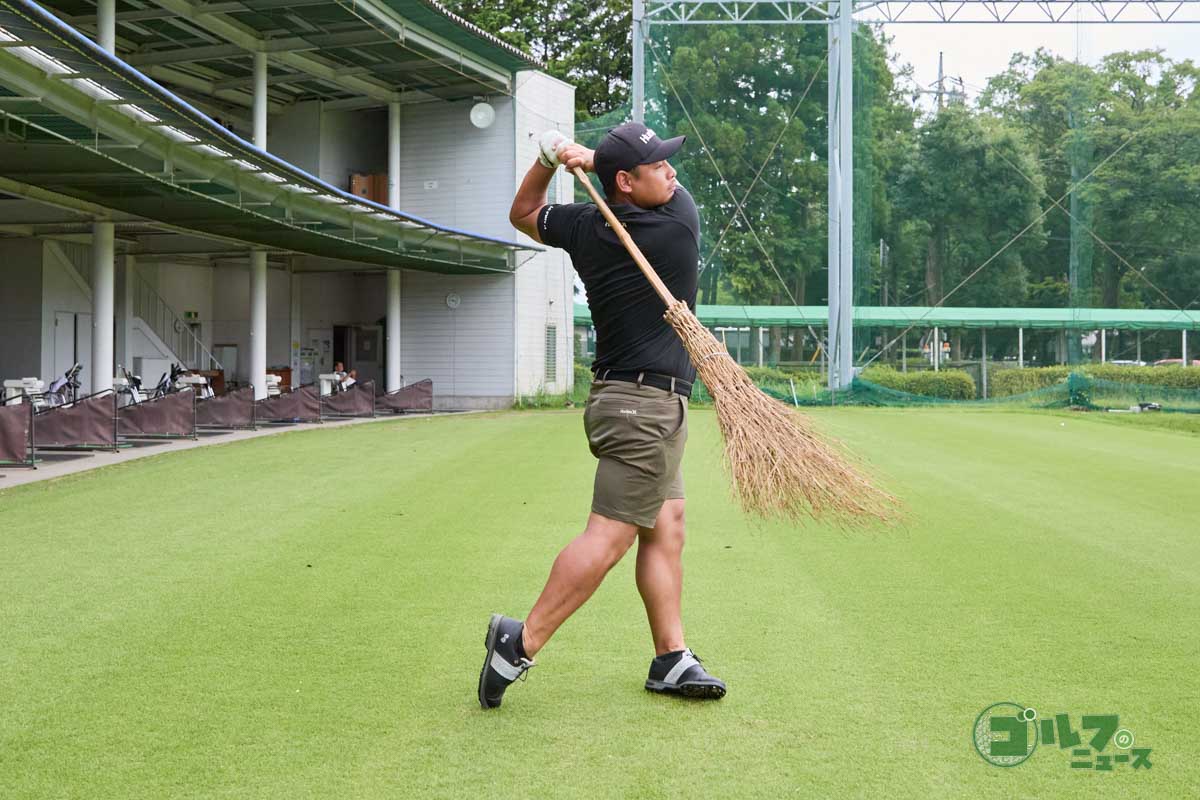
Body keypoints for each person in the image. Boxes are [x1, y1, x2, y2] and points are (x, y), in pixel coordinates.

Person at [478, 123, 725, 710]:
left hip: (628, 400)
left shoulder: (587, 226)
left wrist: (547, 160)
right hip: (645, 409)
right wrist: (590, 157)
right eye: (657, 165)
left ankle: (671, 657)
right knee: (610, 535)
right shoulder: (675, 226)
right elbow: (675, 192)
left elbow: (523, 212)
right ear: (625, 182)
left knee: (667, 523)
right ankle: (520, 642)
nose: (671, 172)